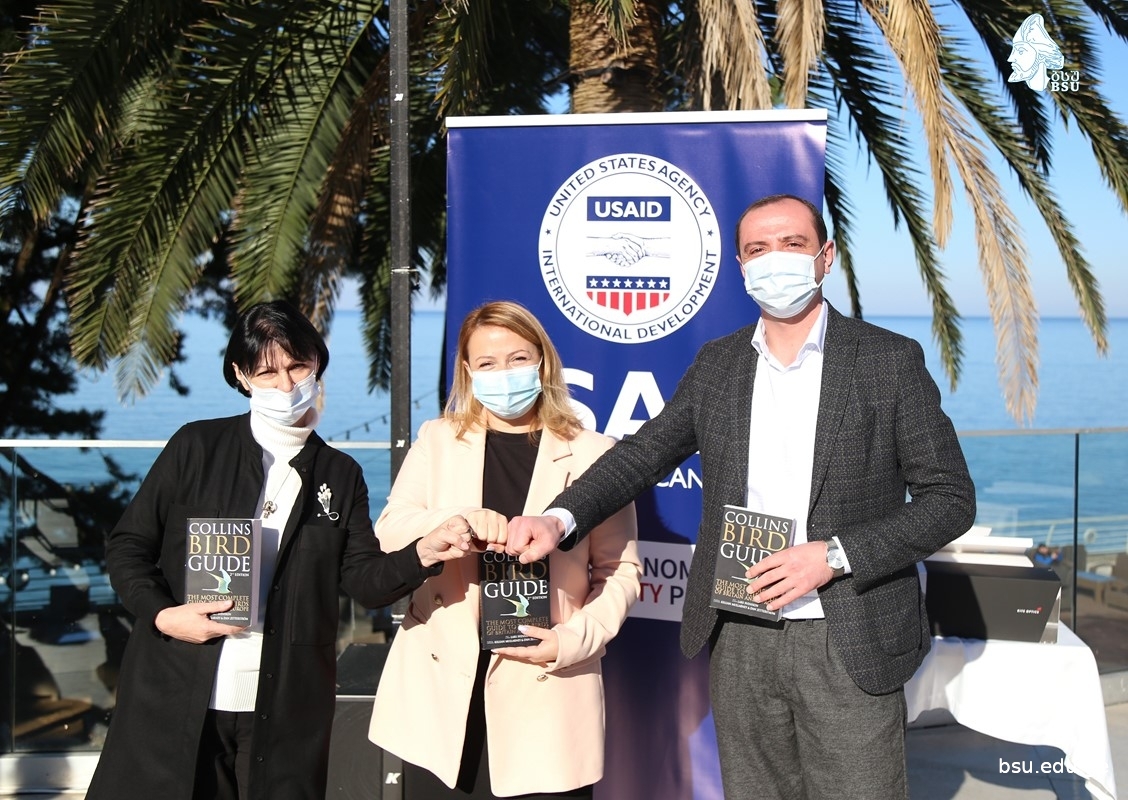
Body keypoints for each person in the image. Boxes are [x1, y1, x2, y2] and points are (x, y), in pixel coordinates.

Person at [507, 194, 977, 799]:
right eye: (758, 249)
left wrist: (833, 555)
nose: (774, 259)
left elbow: (949, 499)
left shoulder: (888, 361)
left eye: (792, 244)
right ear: (740, 266)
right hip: (740, 627)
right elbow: (643, 453)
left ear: (826, 256)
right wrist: (558, 518)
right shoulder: (719, 364)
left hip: (848, 631)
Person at [86, 300, 474, 800]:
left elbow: (362, 581)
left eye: (297, 366)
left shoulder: (340, 474)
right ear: (241, 375)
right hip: (176, 690)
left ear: (317, 364)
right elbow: (128, 547)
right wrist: (164, 615)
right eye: (267, 372)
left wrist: (423, 553)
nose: (286, 385)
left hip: (285, 704)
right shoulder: (196, 447)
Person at [368, 300, 640, 799]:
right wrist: (452, 523)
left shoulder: (594, 453)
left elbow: (619, 572)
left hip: (546, 692)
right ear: (468, 371)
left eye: (517, 359)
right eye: (487, 363)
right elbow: (390, 531)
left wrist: (570, 643)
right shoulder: (437, 439)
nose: (504, 373)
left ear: (542, 362)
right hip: (442, 696)